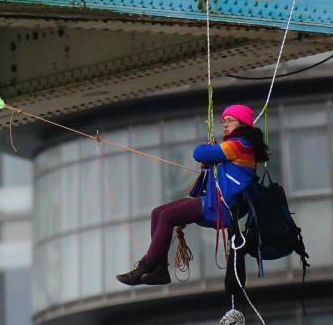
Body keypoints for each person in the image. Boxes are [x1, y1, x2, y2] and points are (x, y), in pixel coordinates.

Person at [115, 104, 269, 286]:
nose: (225, 125)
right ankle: (160, 270)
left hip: (220, 205)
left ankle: (146, 266)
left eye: (229, 121)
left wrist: (209, 150)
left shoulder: (238, 145)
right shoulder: (238, 146)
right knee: (157, 212)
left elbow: (198, 153)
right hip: (215, 202)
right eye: (223, 121)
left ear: (242, 123)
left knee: (166, 216)